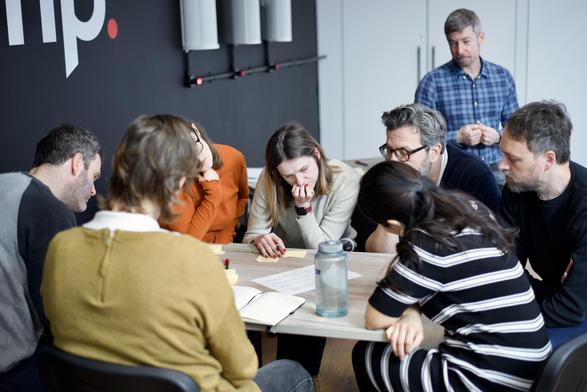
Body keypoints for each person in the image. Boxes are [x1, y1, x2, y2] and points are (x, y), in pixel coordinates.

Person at [40, 114, 313, 392]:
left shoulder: (61, 248)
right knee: (291, 371)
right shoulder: (192, 258)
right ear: (178, 182)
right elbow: (242, 366)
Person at [353, 161, 551, 391]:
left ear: (394, 225)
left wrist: (407, 310)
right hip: (531, 367)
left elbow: (376, 318)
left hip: (488, 379)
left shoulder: (426, 244)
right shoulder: (468, 208)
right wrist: (411, 313)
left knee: (368, 354)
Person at [243, 121, 361, 381]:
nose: (299, 180)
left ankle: (301, 379)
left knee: (305, 318)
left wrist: (303, 208)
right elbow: (251, 234)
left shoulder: (345, 178)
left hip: (332, 261)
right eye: (288, 176)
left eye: (304, 169)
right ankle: (259, 381)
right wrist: (260, 238)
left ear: (316, 155)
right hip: (285, 260)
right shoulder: (269, 178)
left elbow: (323, 247)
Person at [0, 124, 102, 392]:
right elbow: (62, 313)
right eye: (94, 177)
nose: (93, 190)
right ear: (77, 162)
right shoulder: (49, 210)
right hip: (15, 372)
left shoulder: (5, 184)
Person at [499, 101, 587, 348]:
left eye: (513, 159)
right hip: (554, 295)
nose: (502, 165)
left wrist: (508, 317)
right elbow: (504, 269)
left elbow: (571, 309)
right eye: (502, 154)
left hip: (578, 310)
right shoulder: (516, 188)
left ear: (548, 159)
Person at [357, 103, 500, 253]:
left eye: (404, 152)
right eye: (390, 150)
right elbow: (376, 253)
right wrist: (391, 199)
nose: (393, 160)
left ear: (434, 151)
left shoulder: (474, 175)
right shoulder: (382, 180)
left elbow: (493, 242)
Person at [415, 8, 518, 185]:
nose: (459, 50)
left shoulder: (503, 77)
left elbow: (517, 129)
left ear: (481, 38)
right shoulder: (431, 82)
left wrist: (498, 136)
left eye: (466, 41)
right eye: (453, 43)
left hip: (497, 170)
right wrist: (457, 137)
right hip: (453, 171)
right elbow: (418, 136)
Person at [161, 121, 249, 243]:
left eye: (194, 146)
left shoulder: (234, 157)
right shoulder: (175, 184)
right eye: (186, 156)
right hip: (180, 248)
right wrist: (213, 194)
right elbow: (189, 241)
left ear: (196, 130)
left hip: (225, 246)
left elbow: (243, 197)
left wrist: (227, 233)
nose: (198, 158)